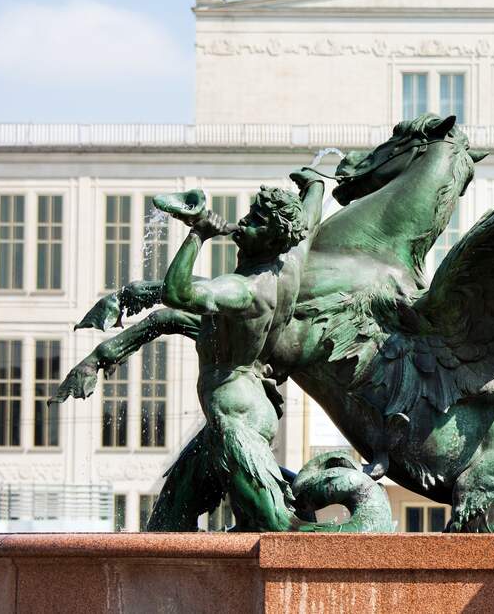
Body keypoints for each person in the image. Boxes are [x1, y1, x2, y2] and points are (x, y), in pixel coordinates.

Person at [55, 170, 327, 530]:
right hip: (233, 417)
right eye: (248, 216)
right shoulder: (290, 258)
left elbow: (177, 294)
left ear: (271, 238)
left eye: (254, 223)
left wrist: (199, 235)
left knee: (282, 531)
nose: (243, 224)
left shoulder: (243, 289)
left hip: (236, 422)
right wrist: (314, 184)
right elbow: (310, 214)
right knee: (167, 523)